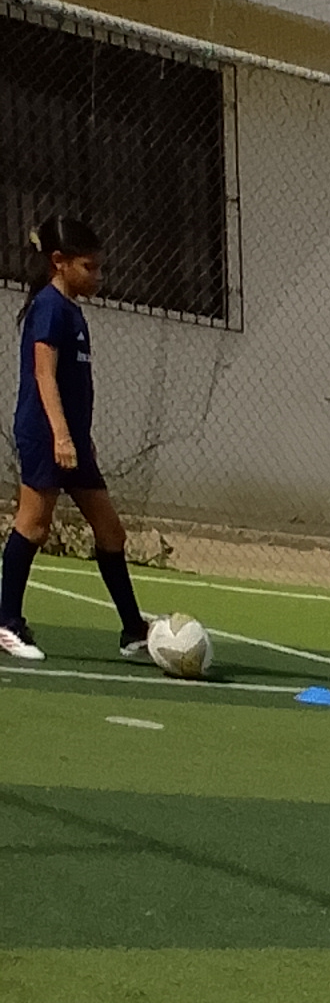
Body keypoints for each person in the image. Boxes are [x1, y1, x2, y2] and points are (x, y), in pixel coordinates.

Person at [0, 217, 150, 669]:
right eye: (89, 267)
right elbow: (44, 375)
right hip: (45, 434)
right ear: (59, 262)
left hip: (73, 440)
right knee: (34, 525)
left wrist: (82, 439)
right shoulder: (49, 307)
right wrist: (62, 436)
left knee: (110, 531)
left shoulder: (73, 311)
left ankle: (133, 631)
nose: (98, 276)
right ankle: (7, 624)